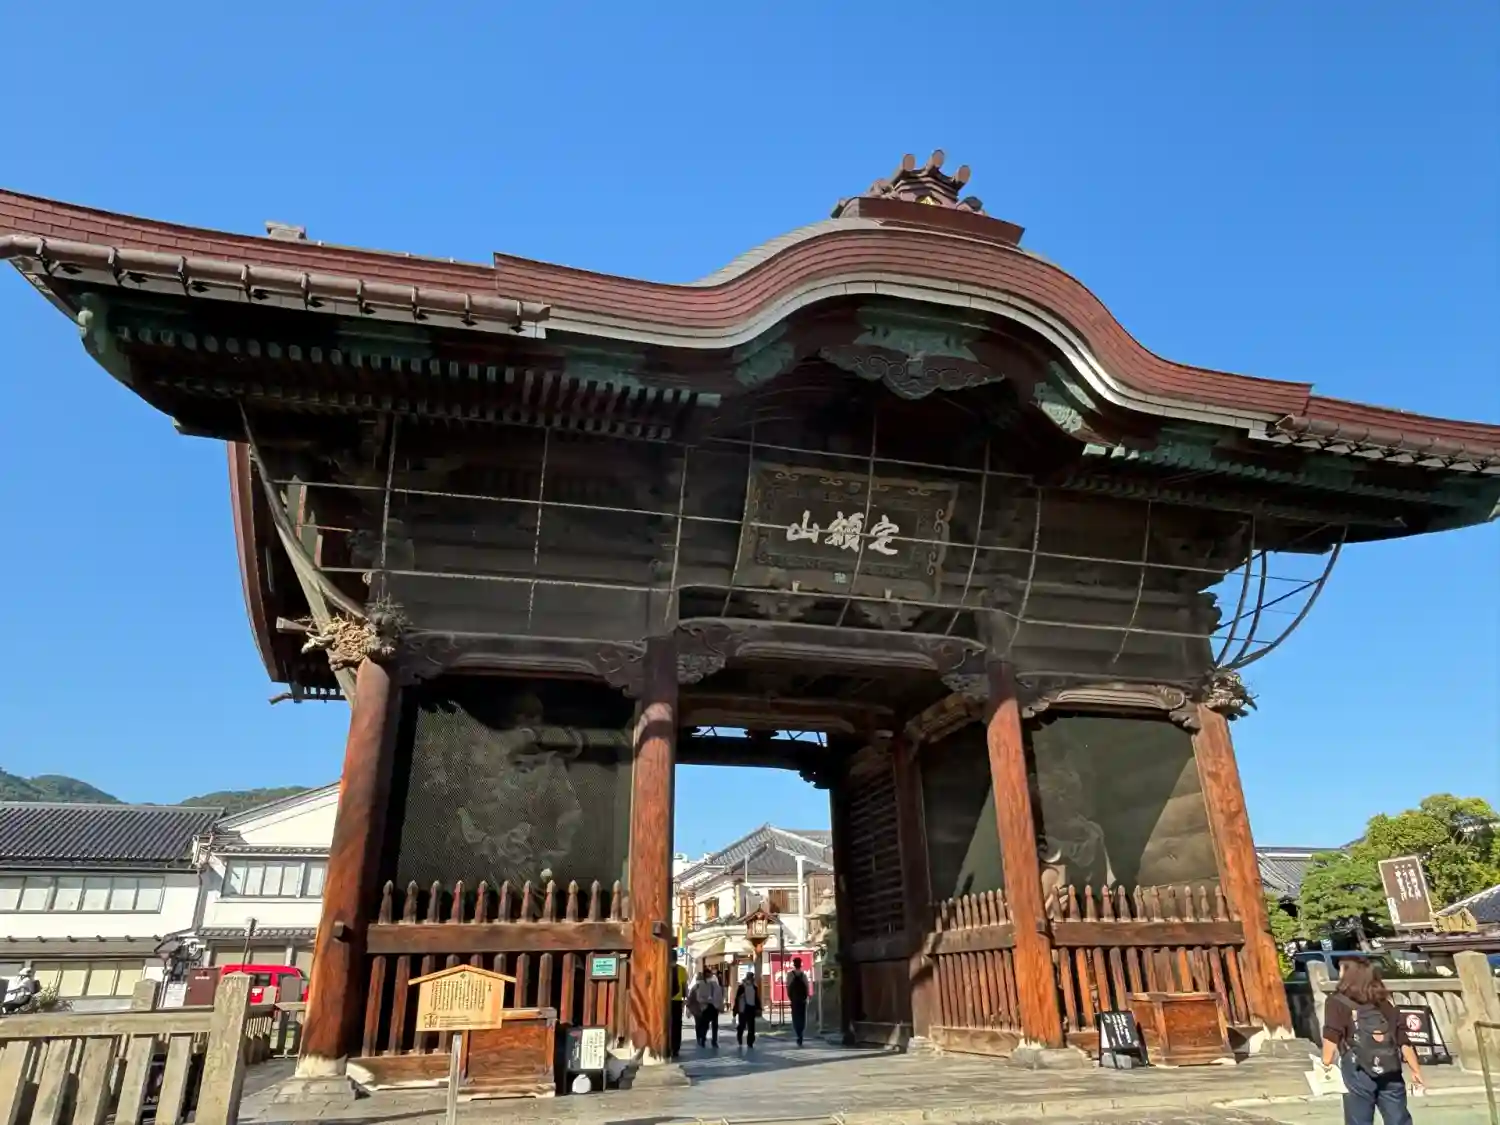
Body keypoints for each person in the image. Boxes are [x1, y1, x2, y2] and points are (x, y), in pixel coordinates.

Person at [1319, 957, 1424, 1125]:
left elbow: (1331, 1035)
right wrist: (1415, 1069)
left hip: (1357, 1069)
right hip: (1390, 1067)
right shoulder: (1383, 1002)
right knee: (1398, 1118)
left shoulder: (1336, 1001)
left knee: (1359, 1119)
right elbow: (1402, 1038)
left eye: (1342, 969)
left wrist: (1325, 1063)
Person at [689, 966, 723, 1048]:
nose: (709, 977)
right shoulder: (701, 985)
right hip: (705, 1007)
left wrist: (719, 1005)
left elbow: (719, 995)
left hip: (714, 1007)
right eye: (707, 976)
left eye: (709, 975)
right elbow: (698, 997)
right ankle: (702, 1039)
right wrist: (706, 1000)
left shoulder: (715, 984)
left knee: (715, 1025)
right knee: (705, 1025)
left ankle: (714, 1041)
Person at [785, 956, 811, 1047]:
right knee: (802, 1017)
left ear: (794, 964)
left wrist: (791, 998)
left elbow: (788, 987)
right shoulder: (803, 975)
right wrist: (805, 997)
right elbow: (807, 987)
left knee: (795, 1017)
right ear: (800, 964)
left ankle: (798, 1033)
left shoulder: (790, 975)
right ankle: (801, 1033)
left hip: (795, 1000)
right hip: (802, 1000)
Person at [733, 967, 761, 1048]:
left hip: (751, 1008)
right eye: (750, 977)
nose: (751, 979)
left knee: (751, 1026)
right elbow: (737, 998)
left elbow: (756, 998)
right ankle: (739, 1036)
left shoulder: (754, 987)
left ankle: (750, 1042)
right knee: (742, 1025)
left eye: (752, 977)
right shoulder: (742, 987)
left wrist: (758, 1007)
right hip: (743, 1008)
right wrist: (735, 1009)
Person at [669, 951, 688, 1060]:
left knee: (670, 1024)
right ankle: (675, 1047)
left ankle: (671, 1047)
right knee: (676, 1025)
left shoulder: (665, 969)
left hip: (668, 1000)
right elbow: (684, 986)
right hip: (676, 1000)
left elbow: (684, 985)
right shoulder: (681, 969)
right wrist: (685, 998)